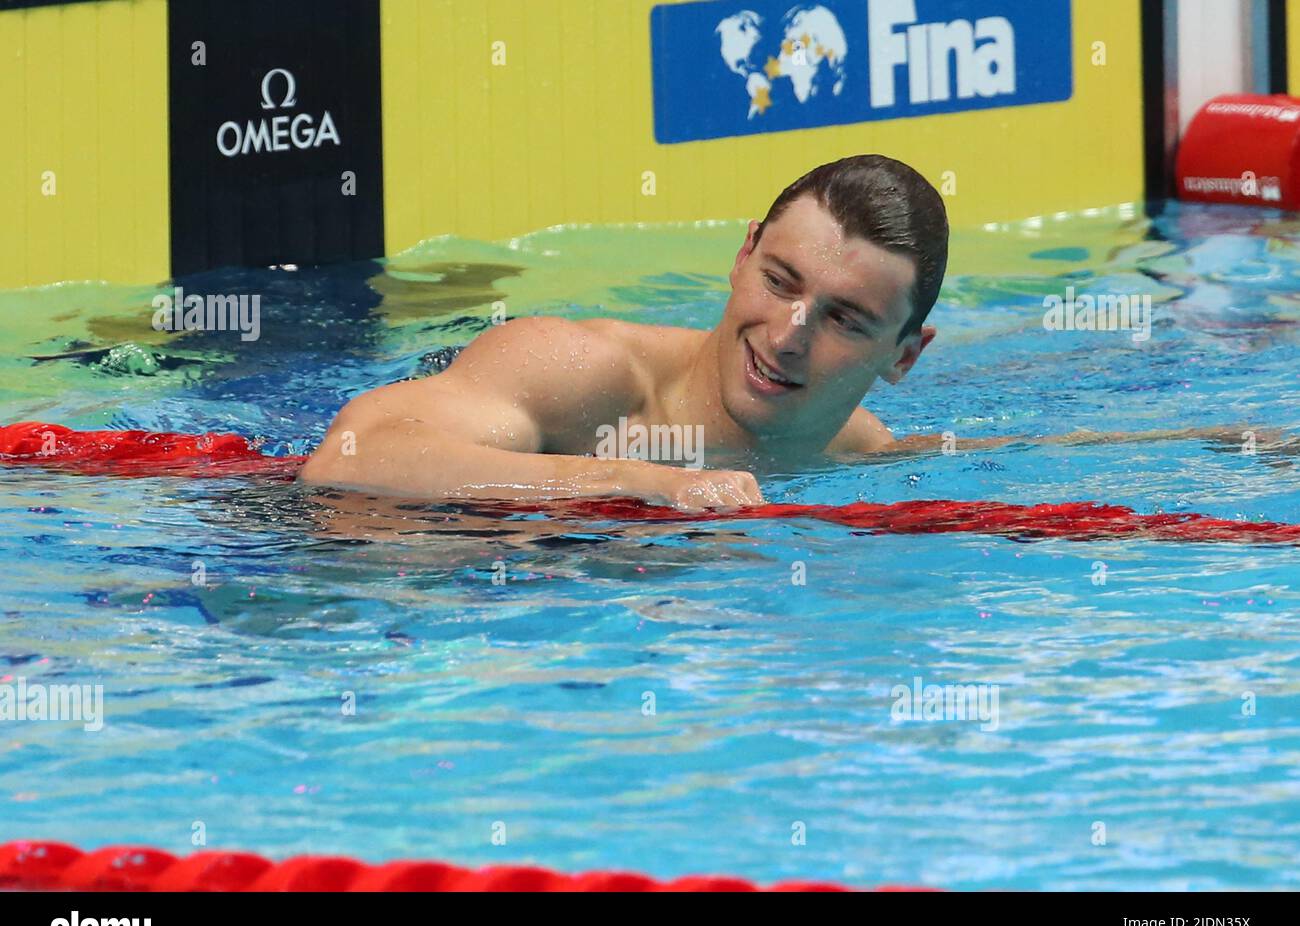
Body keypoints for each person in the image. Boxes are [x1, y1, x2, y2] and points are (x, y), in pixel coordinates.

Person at [299, 155, 1270, 509]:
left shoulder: (855, 443)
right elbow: (348, 456)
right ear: (741, 255)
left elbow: (978, 458)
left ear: (904, 358)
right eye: (779, 281)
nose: (791, 333)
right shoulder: (579, 371)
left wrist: (1210, 446)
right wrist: (645, 485)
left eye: (846, 319)